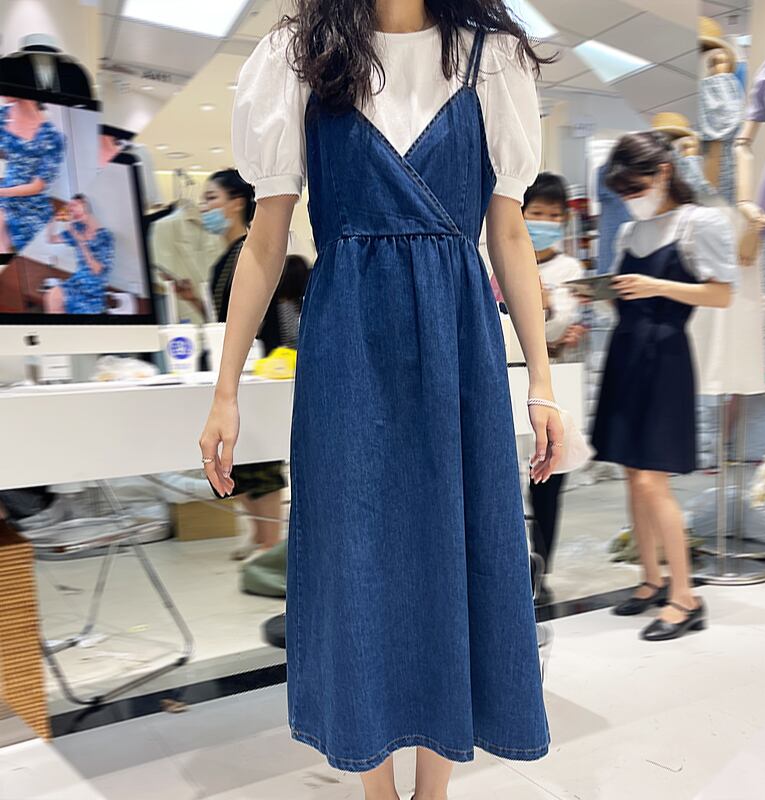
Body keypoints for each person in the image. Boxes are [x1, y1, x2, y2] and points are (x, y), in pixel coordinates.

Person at [200, 3, 564, 798]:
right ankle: (374, 787)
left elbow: (508, 235)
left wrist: (542, 381)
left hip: (459, 343)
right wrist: (225, 389)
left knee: (455, 546)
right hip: (348, 347)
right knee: (354, 554)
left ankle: (434, 788)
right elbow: (265, 240)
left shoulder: (492, 57)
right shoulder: (298, 54)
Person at [589, 131, 736, 641]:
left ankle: (686, 597)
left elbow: (721, 294)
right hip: (626, 351)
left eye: (636, 187)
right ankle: (651, 579)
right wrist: (605, 292)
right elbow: (624, 295)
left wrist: (655, 287)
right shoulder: (631, 232)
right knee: (633, 474)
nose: (631, 198)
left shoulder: (700, 223)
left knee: (653, 479)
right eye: (623, 191)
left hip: (666, 356)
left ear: (664, 173)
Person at [187, 168, 295, 557]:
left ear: (236, 203)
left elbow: (266, 315)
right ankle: (259, 534)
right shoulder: (224, 260)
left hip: (264, 364)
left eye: (211, 198)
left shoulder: (252, 250)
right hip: (239, 363)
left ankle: (270, 540)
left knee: (261, 456)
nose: (204, 208)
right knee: (241, 455)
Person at [522, 172, 585, 606]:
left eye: (553, 216)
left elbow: (563, 330)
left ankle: (541, 569)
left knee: (548, 481)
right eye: (537, 213)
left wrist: (545, 308)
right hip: (507, 375)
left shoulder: (569, 270)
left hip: (554, 382)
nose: (544, 222)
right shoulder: (499, 259)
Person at [0, 97, 65, 254]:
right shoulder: (3, 115)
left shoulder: (52, 138)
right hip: (6, 193)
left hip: (30, 207)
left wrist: (2, 192)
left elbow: (38, 186)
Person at [44, 194, 114, 314]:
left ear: (85, 205)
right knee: (51, 296)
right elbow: (50, 239)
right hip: (77, 281)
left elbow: (97, 270)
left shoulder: (105, 236)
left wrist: (81, 241)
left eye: (75, 205)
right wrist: (53, 219)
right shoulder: (77, 229)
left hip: (93, 289)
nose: (72, 209)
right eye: (70, 207)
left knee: (76, 307)